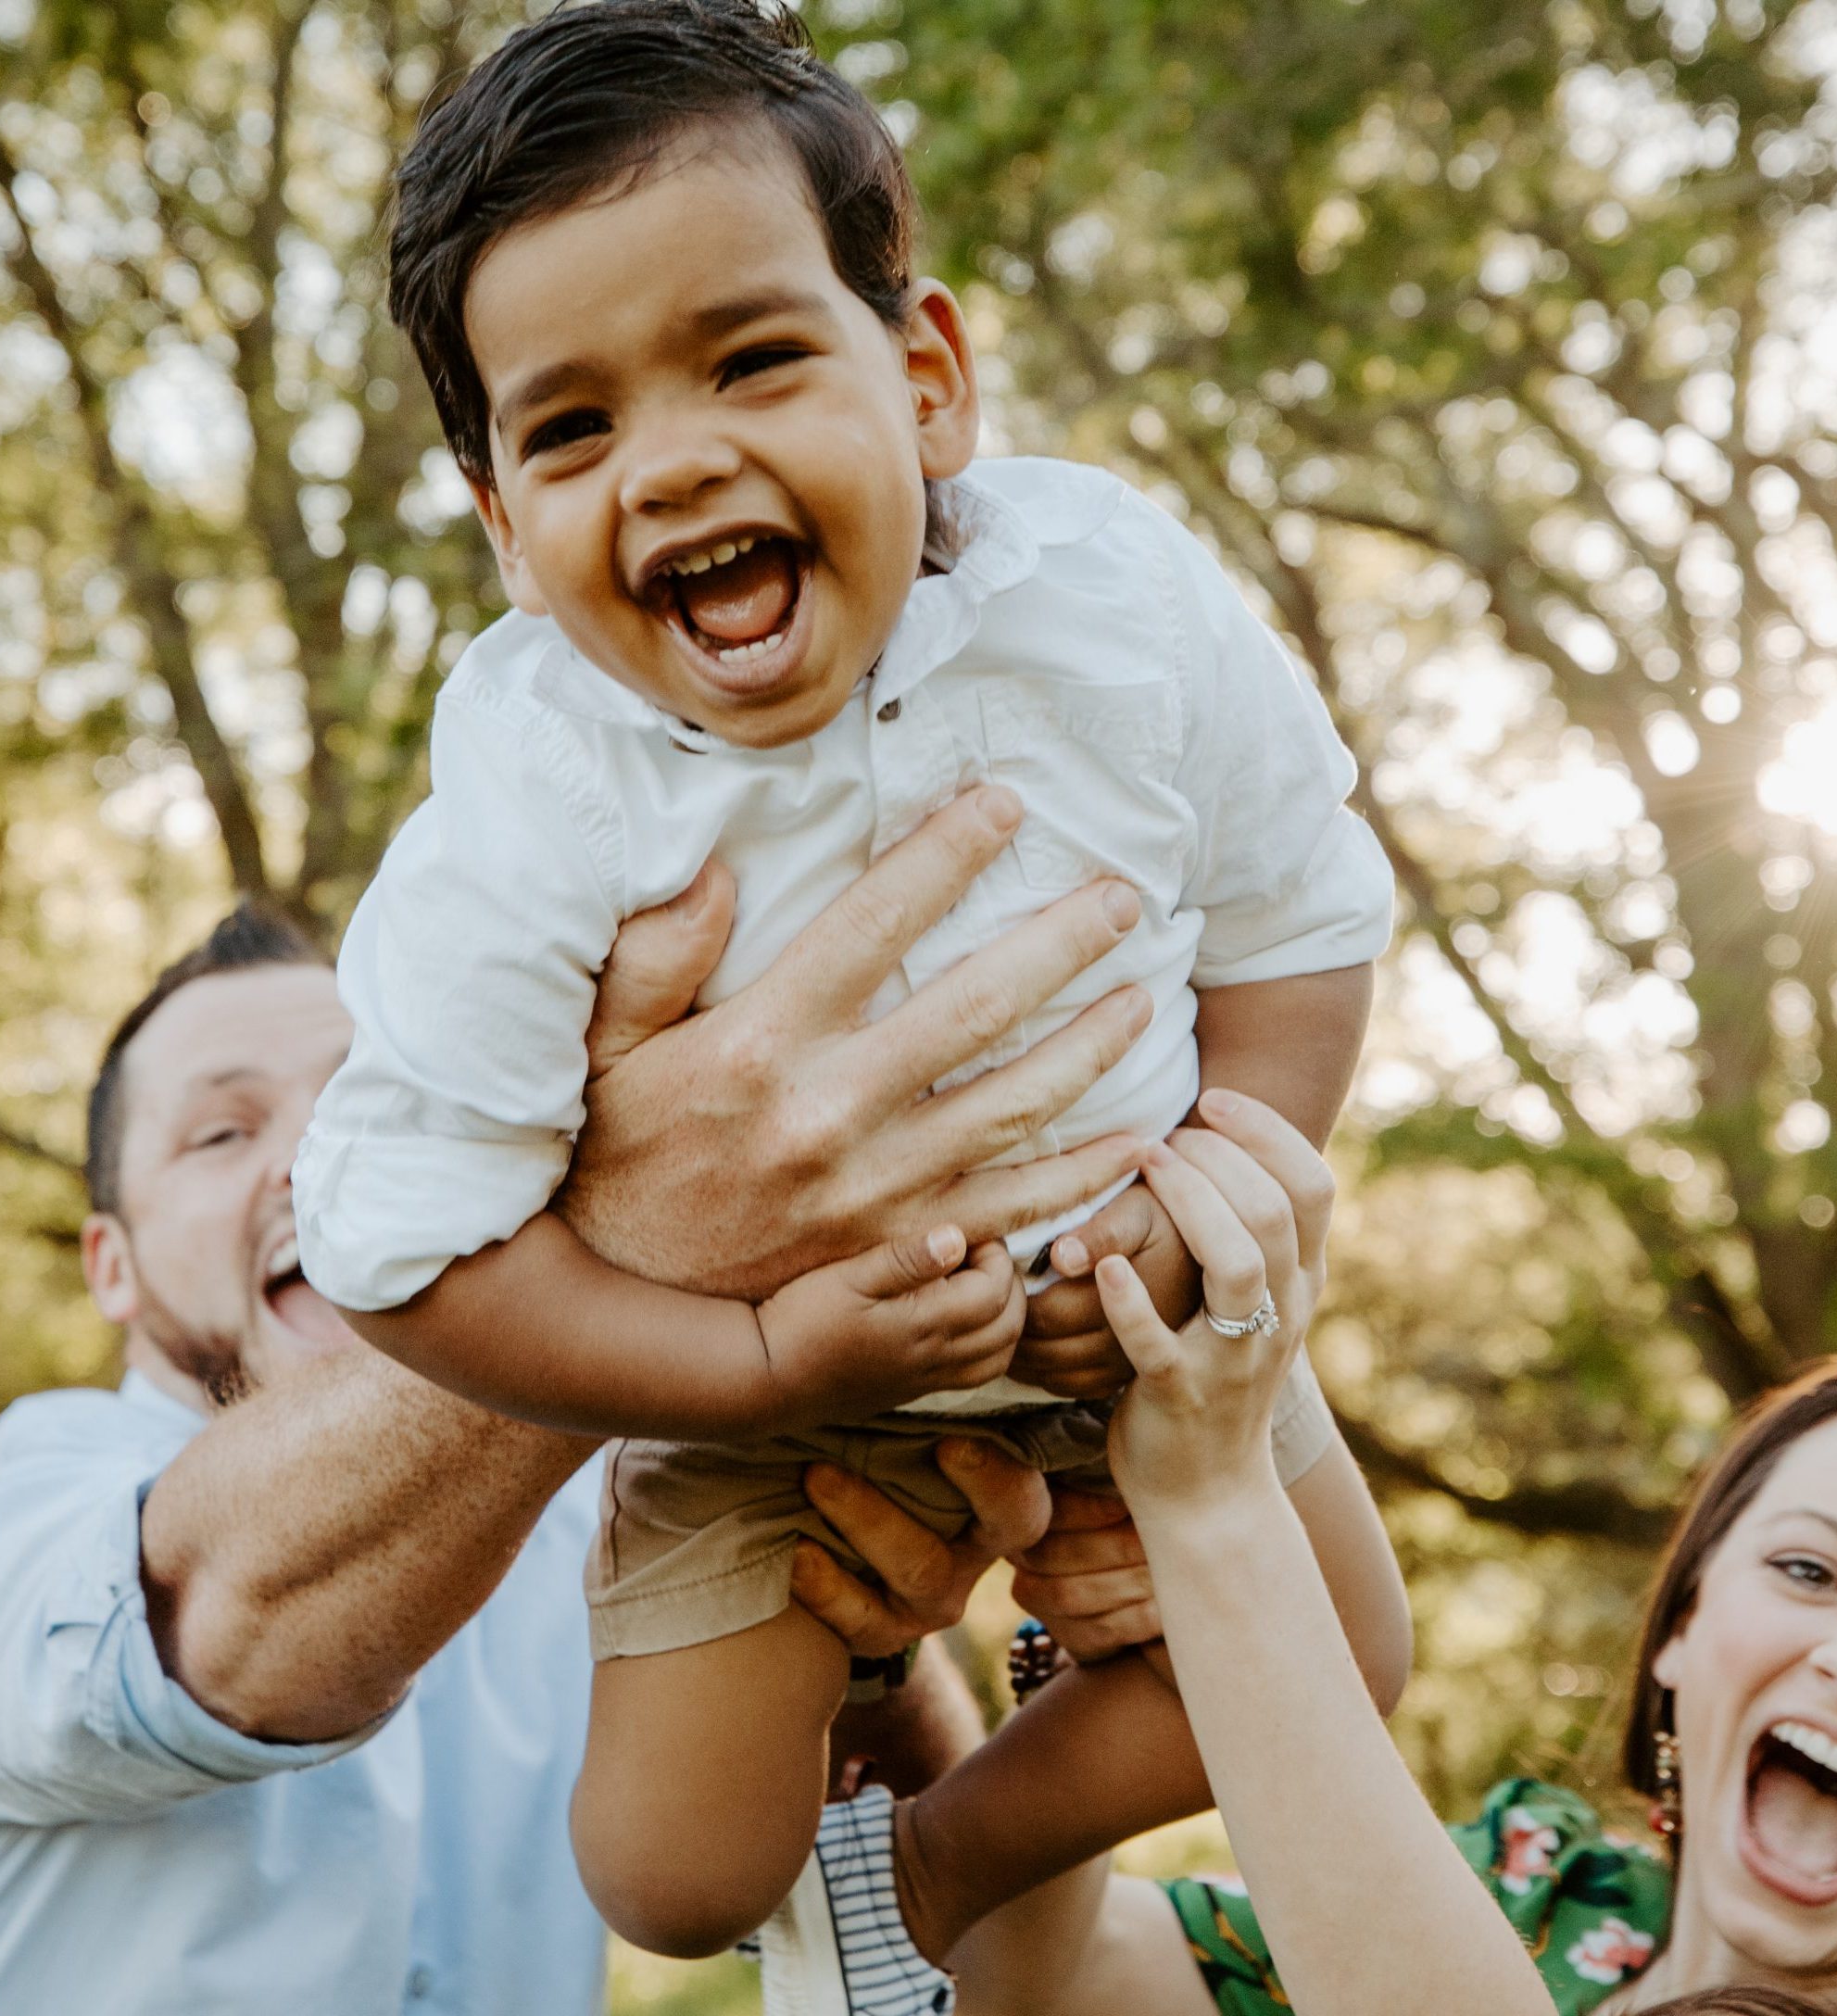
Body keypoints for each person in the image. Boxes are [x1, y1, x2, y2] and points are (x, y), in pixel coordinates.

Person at [289, 0, 1403, 1985]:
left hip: (1134, 1333)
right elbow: (395, 1244)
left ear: (925, 377)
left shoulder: (1110, 603)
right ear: (507, 537)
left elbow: (1295, 906)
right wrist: (755, 1359)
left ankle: (938, 1864)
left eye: (748, 356)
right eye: (571, 425)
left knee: (1348, 1660)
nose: (673, 459)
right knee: (670, 1868)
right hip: (768, 1382)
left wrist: (1213, 1174)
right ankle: (850, 1762)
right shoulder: (534, 792)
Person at [0, 791, 1173, 2015]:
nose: (312, 1158)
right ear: (107, 1261)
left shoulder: (608, 1511)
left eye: (367, 1098)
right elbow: (231, 1619)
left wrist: (875, 1661)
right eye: (221, 1134)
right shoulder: (3, 1533)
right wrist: (634, 1251)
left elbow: (930, 1944)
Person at [825, 1139, 1837, 2012]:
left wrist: (1217, 1505)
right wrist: (933, 1641)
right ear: (1683, 1624)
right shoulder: (1541, 1890)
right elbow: (1045, 1985)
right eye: (1808, 1568)